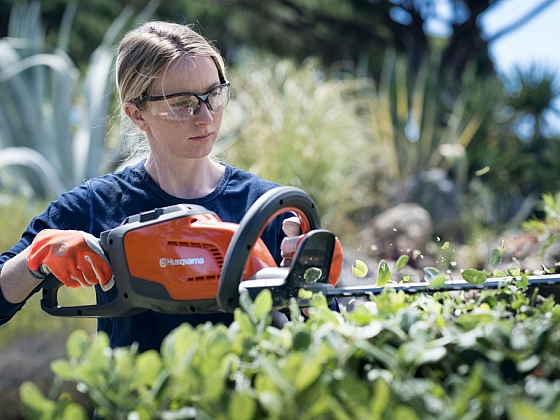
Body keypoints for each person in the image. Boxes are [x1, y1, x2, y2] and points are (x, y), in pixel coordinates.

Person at [0, 21, 305, 352]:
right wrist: (37, 256)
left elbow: (320, 330)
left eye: (213, 95)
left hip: (241, 403)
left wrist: (310, 286)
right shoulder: (97, 204)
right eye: (182, 103)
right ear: (136, 114)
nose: (205, 117)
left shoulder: (266, 206)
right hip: (135, 402)